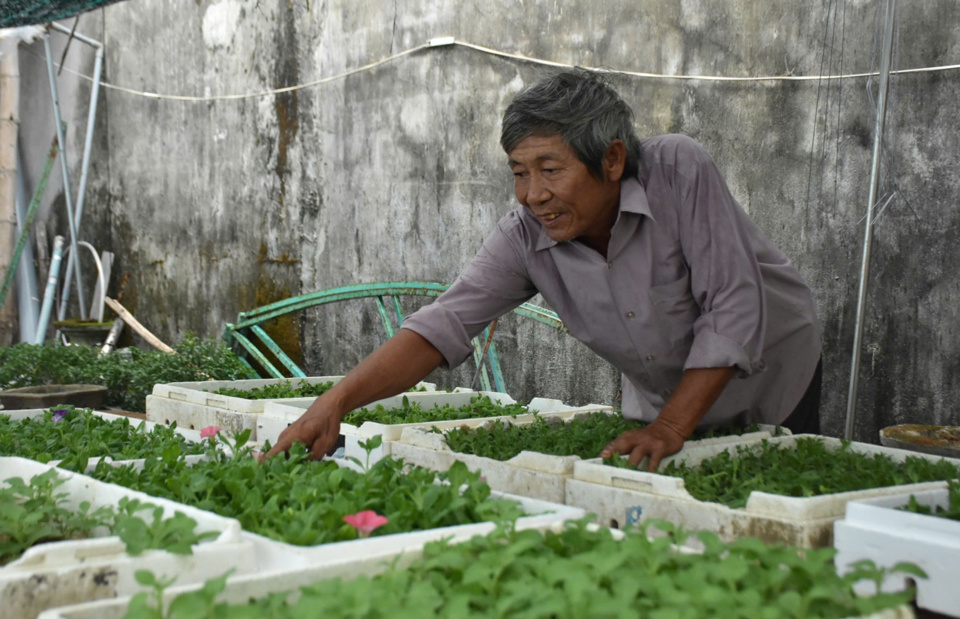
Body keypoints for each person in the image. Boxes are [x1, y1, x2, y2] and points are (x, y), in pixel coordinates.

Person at [265, 69, 822, 471]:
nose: (533, 194)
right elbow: (444, 324)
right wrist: (332, 405)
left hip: (774, 379)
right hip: (664, 404)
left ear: (612, 159)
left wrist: (671, 428)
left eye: (550, 169)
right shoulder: (525, 237)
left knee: (776, 491)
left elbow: (731, 306)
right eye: (518, 172)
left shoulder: (678, 170)